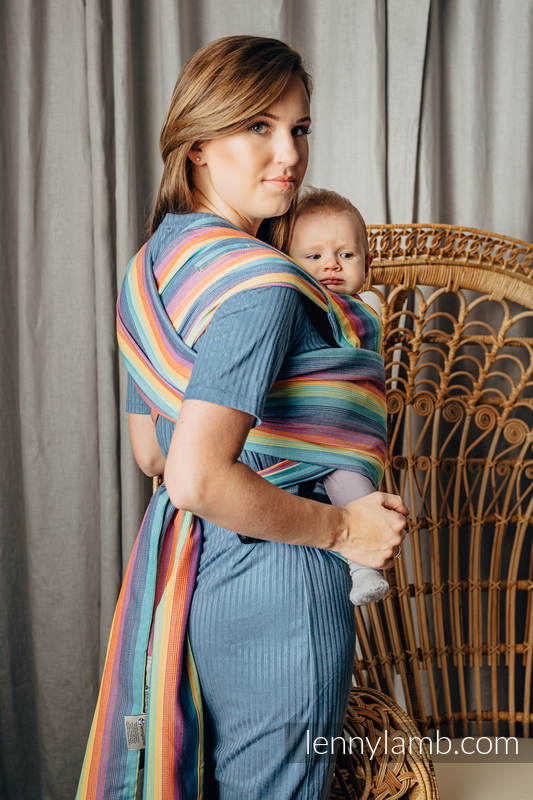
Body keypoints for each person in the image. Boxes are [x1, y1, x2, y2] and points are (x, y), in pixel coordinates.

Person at [76, 35, 408, 800]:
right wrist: (344, 528)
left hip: (192, 573)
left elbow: (153, 455)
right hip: (282, 576)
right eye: (258, 126)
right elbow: (197, 476)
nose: (288, 154)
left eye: (298, 128)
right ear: (196, 144)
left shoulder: (151, 266)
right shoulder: (261, 284)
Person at [288, 188, 392, 605]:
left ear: (367, 263)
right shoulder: (291, 303)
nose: (331, 264)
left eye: (346, 255)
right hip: (298, 431)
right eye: (313, 256)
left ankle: (363, 564)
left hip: (346, 435)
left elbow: (359, 376)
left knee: (351, 480)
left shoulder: (364, 312)